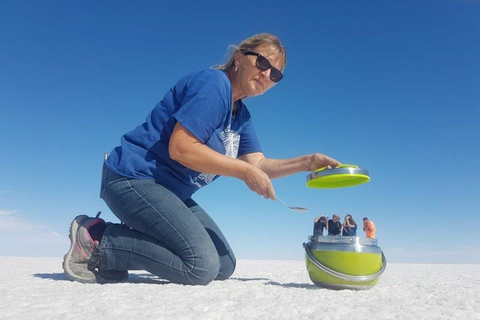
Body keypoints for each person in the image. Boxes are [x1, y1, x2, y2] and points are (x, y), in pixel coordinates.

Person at [62, 33, 340, 285]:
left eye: (276, 74)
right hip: (133, 179)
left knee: (224, 264)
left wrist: (308, 161)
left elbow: (258, 165)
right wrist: (244, 172)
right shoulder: (214, 85)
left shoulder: (241, 116)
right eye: (263, 63)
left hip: (169, 192)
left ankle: (121, 253)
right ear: (239, 58)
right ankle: (99, 240)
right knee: (200, 266)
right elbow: (181, 148)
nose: (267, 74)